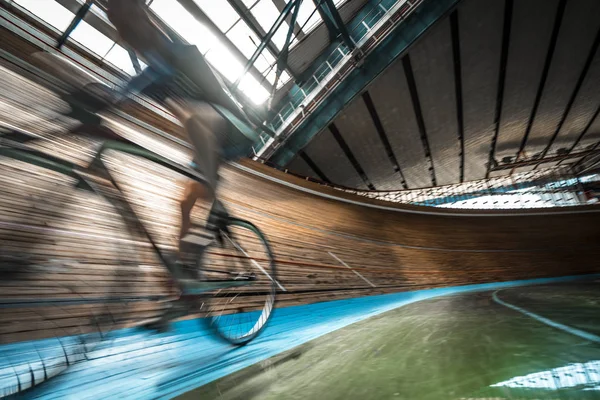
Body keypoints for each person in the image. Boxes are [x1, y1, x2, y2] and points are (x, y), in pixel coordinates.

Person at [98, 0, 259, 281]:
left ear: (146, 21)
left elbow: (211, 101)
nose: (136, 45)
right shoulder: (153, 73)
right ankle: (188, 276)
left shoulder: (184, 55)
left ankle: (196, 245)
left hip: (233, 129)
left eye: (133, 31)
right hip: (206, 141)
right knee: (185, 205)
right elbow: (123, 91)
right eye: (128, 36)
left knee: (195, 115)